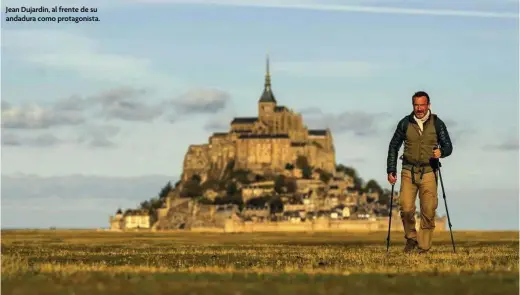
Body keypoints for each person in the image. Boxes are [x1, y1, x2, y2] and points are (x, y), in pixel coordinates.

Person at [386, 91, 453, 253]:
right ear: (413, 106)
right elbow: (394, 146)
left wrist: (441, 153)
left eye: (422, 105)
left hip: (429, 171)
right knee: (406, 208)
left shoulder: (438, 123)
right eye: (416, 105)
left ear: (428, 105)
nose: (419, 108)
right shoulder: (405, 123)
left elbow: (448, 146)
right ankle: (411, 239)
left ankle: (423, 247)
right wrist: (391, 169)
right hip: (408, 170)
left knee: (428, 210)